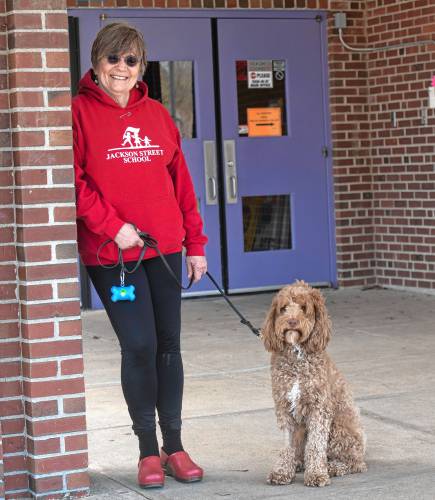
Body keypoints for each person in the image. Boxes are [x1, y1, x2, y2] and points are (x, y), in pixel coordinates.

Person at [72, 22, 208, 489]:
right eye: (113, 59)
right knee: (140, 347)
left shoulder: (158, 115)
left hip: (166, 248)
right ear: (96, 62)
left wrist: (197, 245)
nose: (121, 68)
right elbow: (74, 184)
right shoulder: (77, 114)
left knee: (169, 348)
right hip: (113, 254)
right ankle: (147, 452)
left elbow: (182, 186)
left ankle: (175, 447)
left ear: (141, 66)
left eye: (130, 60)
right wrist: (116, 227)